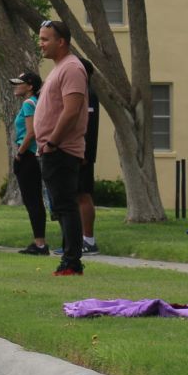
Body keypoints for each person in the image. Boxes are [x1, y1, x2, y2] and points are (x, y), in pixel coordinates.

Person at [35, 21, 91, 276]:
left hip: (62, 149)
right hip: (52, 149)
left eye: (46, 39)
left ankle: (71, 262)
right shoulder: (60, 68)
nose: (41, 44)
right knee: (61, 205)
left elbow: (71, 110)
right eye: (41, 39)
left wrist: (53, 142)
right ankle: (68, 257)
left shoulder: (72, 68)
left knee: (66, 205)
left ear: (62, 41)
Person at [9, 71, 50, 254]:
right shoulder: (38, 102)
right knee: (35, 200)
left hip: (28, 156)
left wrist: (19, 153)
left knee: (32, 200)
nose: (16, 86)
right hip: (35, 156)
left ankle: (40, 243)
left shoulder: (28, 103)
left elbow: (30, 133)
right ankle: (39, 241)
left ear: (30, 86)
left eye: (20, 83)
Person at [78, 57, 101, 254]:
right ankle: (78, 239)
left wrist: (84, 153)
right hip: (77, 151)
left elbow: (89, 127)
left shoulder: (88, 94)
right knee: (76, 196)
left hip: (83, 153)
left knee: (82, 195)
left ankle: (89, 240)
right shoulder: (81, 93)